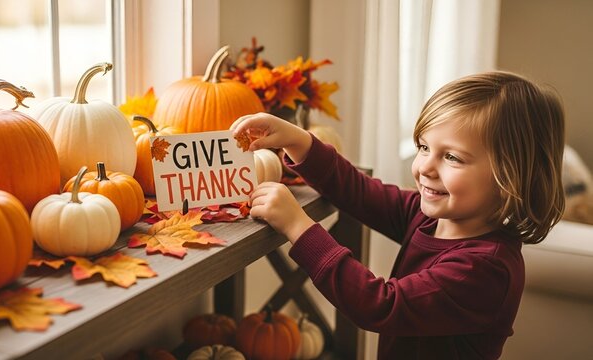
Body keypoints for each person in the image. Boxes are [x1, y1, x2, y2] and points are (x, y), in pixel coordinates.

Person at [230, 71, 565, 359]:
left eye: (452, 157)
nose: (424, 168)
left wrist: (298, 226)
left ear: (510, 177)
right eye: (423, 147)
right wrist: (299, 141)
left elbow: (380, 305)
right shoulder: (433, 219)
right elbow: (361, 193)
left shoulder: (484, 269)